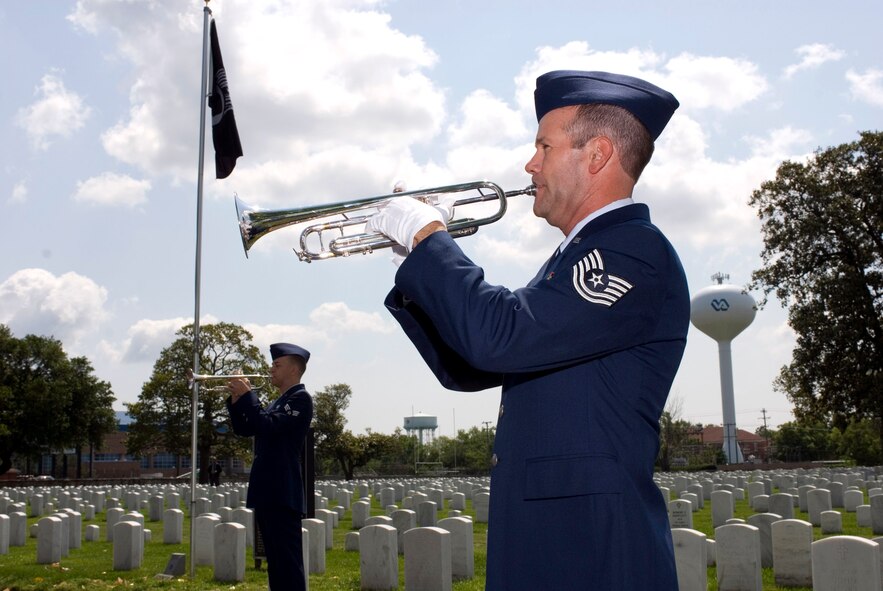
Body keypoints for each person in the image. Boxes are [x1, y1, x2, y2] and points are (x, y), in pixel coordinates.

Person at [366, 70, 688, 590]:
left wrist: (430, 240)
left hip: (592, 549)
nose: (530, 163)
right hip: (553, 536)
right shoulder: (575, 257)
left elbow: (503, 336)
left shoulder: (630, 251)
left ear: (597, 155)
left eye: (544, 146)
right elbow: (471, 365)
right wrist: (420, 265)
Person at [226, 343, 313, 591]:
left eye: (277, 365)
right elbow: (246, 429)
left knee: (288, 563)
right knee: (276, 563)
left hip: (282, 491)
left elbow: (267, 425)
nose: (271, 369)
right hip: (268, 491)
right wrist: (236, 402)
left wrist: (249, 397)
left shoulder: (300, 399)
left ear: (294, 370)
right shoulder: (279, 401)